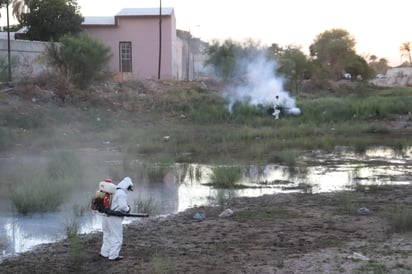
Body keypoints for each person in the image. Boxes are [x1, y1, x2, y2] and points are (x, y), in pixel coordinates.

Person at [100, 176, 134, 261]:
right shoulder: (121, 193)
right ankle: (113, 256)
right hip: (114, 218)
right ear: (127, 186)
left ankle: (105, 253)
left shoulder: (113, 190)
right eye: (129, 188)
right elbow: (123, 207)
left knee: (107, 235)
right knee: (117, 237)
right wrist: (128, 209)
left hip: (105, 216)